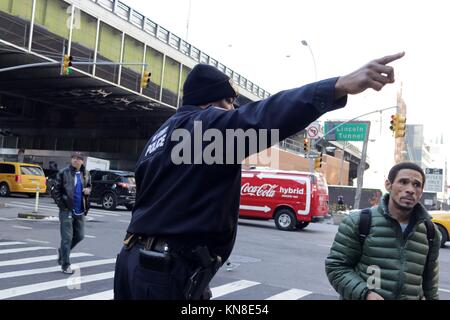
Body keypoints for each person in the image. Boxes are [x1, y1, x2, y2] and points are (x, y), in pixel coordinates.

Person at [113, 52, 405, 300]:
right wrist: (338, 86)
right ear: (208, 103)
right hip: (164, 273)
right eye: (229, 103)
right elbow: (265, 116)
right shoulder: (202, 127)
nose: (232, 110)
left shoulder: (161, 136)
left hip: (135, 264)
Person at [325, 162, 441, 300]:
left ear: (421, 192)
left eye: (417, 185)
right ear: (388, 185)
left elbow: (430, 284)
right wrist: (365, 294)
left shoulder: (430, 232)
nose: (410, 189)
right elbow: (336, 268)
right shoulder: (358, 222)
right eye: (403, 182)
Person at [53, 152, 91, 274]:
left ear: (82, 161)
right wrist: (62, 206)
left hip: (80, 210)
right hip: (66, 210)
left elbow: (90, 187)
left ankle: (62, 252)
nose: (75, 160)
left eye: (78, 159)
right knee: (67, 238)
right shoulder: (64, 172)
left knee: (80, 236)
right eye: (74, 158)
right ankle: (65, 265)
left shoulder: (86, 174)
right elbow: (55, 190)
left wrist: (88, 190)